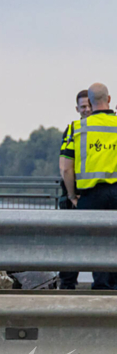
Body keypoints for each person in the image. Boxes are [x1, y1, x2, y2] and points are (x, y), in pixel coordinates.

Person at [60, 82, 117, 290]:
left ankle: (95, 287)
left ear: (90, 104)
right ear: (109, 99)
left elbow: (66, 169)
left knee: (89, 242)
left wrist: (72, 195)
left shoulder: (77, 128)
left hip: (91, 195)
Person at [57, 89, 92, 289]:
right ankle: (67, 285)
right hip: (74, 194)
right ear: (77, 109)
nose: (86, 110)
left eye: (89, 105)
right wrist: (71, 195)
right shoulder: (73, 129)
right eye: (83, 107)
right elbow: (64, 166)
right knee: (71, 242)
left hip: (89, 192)